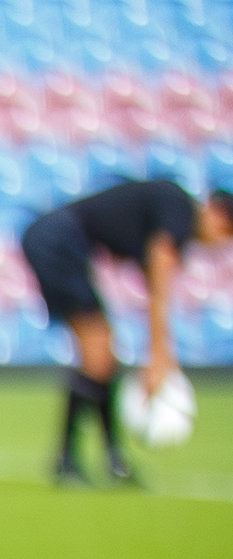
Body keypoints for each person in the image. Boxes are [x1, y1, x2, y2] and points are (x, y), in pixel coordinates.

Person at [15, 170, 219, 484]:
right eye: (226, 233)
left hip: (57, 240)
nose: (219, 243)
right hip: (58, 241)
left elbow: (151, 281)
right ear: (217, 215)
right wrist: (160, 356)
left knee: (102, 356)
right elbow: (159, 288)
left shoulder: (170, 211)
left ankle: (105, 459)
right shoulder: (180, 212)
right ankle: (76, 460)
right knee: (99, 350)